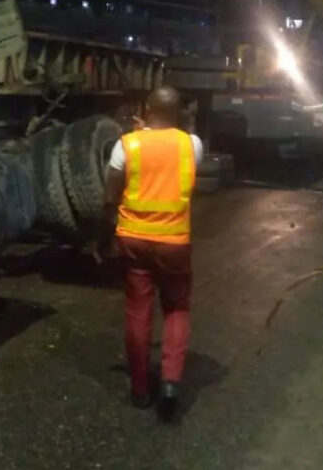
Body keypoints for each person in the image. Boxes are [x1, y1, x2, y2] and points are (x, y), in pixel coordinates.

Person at [104, 86, 203, 421]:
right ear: (179, 112)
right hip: (174, 241)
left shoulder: (127, 144)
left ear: (146, 108)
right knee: (176, 308)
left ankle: (141, 387)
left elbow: (111, 187)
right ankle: (171, 382)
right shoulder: (192, 144)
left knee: (138, 311)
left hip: (133, 239)